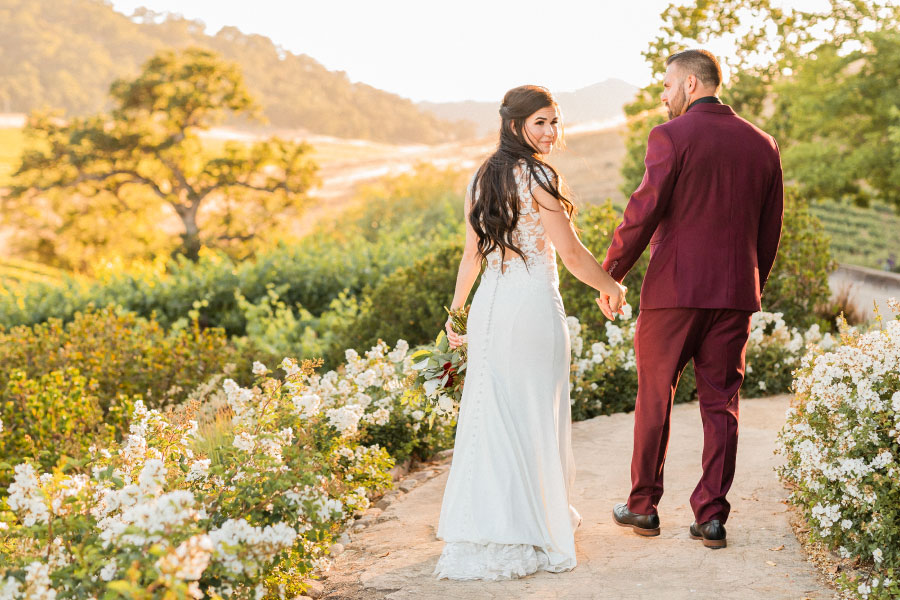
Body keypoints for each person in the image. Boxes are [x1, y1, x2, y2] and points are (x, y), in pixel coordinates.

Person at [433, 85, 627, 581]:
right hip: (532, 308)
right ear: (514, 123)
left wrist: (458, 314)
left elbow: (473, 257)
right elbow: (574, 255)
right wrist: (613, 287)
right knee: (535, 412)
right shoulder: (539, 175)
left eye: (555, 122)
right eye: (540, 122)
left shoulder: (482, 176)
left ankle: (495, 520)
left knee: (494, 412)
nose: (550, 132)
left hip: (491, 309)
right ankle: (535, 521)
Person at [598, 49, 784, 549]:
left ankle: (642, 507)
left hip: (674, 293)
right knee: (722, 404)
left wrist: (609, 272)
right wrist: (748, 285)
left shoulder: (671, 136)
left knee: (654, 395)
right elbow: (769, 233)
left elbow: (643, 211)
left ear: (690, 85)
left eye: (666, 85)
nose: (663, 95)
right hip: (734, 294)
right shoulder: (763, 144)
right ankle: (711, 517)